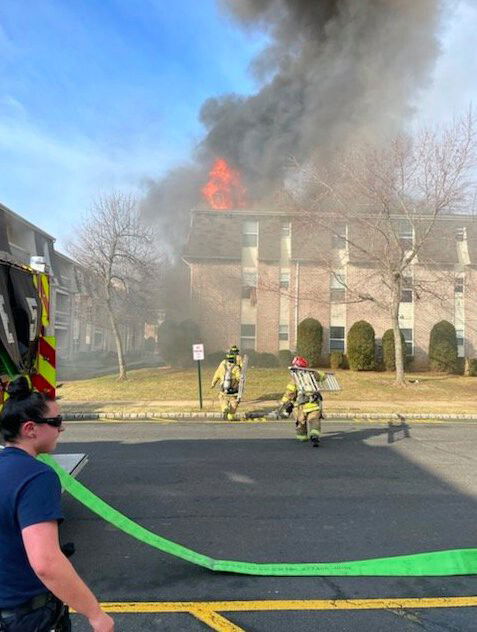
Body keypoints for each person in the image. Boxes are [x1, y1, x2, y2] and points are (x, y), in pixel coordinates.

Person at [0, 376, 114, 632]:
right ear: (30, 429)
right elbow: (46, 562)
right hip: (26, 618)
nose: (61, 429)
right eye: (56, 422)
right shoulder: (37, 477)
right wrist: (96, 615)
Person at [280, 356, 325, 447]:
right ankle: (314, 435)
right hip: (314, 405)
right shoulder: (312, 376)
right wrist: (314, 372)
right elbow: (323, 376)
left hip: (300, 408)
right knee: (314, 421)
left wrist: (283, 402)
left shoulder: (295, 380)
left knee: (301, 423)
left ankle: (302, 437)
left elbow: (289, 393)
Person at [211, 353, 242, 420]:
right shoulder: (236, 367)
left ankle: (225, 407)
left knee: (222, 400)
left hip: (223, 390)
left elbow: (217, 374)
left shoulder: (222, 366)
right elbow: (239, 377)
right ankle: (231, 416)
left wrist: (213, 383)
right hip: (233, 392)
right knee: (234, 403)